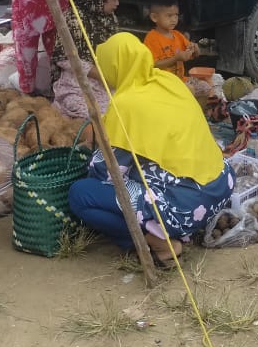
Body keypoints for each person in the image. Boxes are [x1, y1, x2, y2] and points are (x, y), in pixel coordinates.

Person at [67, 33, 233, 265]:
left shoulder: (126, 105)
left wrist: (93, 155)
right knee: (144, 169)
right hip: (220, 185)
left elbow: (107, 171)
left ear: (115, 68)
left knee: (80, 194)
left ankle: (162, 244)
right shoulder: (168, 81)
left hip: (187, 207)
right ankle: (171, 227)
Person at [52, 0, 121, 119]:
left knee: (123, 110)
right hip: (78, 82)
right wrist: (101, 75)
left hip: (107, 82)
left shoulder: (109, 19)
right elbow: (64, 58)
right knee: (96, 115)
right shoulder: (73, 20)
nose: (117, 4)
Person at [143, 0, 197, 78]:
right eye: (169, 15)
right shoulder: (151, 38)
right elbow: (153, 65)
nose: (174, 19)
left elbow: (192, 55)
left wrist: (195, 49)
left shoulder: (178, 35)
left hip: (179, 80)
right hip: (161, 82)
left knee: (205, 86)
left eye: (176, 15)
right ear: (154, 17)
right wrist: (175, 58)